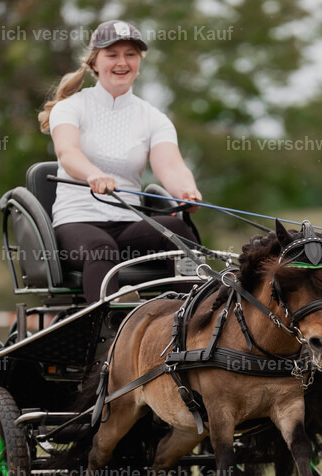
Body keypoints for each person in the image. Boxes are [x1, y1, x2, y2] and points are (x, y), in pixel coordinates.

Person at [38, 20, 202, 302]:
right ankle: (107, 338)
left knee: (178, 232)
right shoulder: (70, 107)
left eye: (130, 54)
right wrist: (92, 174)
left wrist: (187, 190)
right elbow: (68, 153)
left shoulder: (153, 118)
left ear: (139, 61)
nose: (121, 63)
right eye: (112, 55)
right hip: (77, 223)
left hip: (127, 223)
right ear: (94, 63)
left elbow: (171, 166)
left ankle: (194, 323)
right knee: (102, 248)